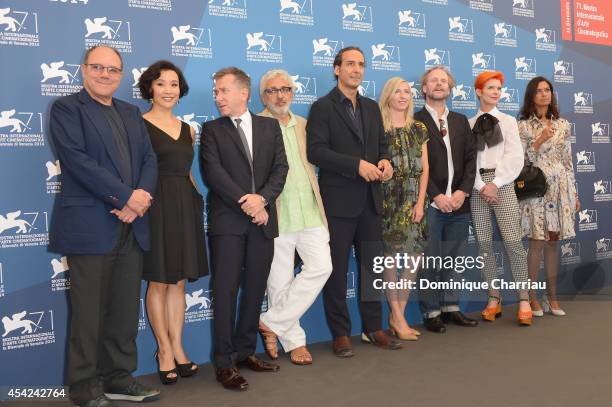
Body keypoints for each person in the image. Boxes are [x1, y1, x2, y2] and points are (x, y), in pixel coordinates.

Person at [48, 45, 160, 407]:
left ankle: (119, 379)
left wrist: (140, 197)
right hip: (89, 226)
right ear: (83, 70)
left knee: (124, 311)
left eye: (113, 69)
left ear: (121, 74)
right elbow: (77, 162)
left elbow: (148, 159)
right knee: (88, 315)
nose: (105, 74)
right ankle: (83, 387)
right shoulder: (67, 108)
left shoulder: (130, 112)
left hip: (132, 225)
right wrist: (126, 198)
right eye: (98, 67)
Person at [307, 46, 401, 357]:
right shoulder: (322, 107)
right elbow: (316, 152)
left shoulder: (372, 107)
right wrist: (356, 165)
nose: (356, 70)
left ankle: (373, 328)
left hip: (371, 202)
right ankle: (340, 333)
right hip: (338, 203)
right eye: (350, 64)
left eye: (361, 64)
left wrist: (385, 161)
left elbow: (382, 144)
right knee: (335, 272)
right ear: (337, 69)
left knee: (372, 268)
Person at [200, 67, 288, 391]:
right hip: (229, 223)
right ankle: (224, 363)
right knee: (224, 293)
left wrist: (262, 200)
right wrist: (249, 202)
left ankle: (245, 352)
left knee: (254, 290)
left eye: (223, 91)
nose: (217, 97)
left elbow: (282, 167)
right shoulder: (212, 130)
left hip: (263, 221)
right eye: (215, 92)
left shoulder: (269, 126)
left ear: (243, 93)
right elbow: (214, 174)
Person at [137, 60, 209, 384]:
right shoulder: (138, 125)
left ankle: (179, 347)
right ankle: (163, 350)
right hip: (154, 206)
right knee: (159, 281)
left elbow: (189, 172)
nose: (168, 90)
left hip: (184, 204)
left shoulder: (188, 129)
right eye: (162, 83)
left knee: (179, 281)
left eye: (174, 84)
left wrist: (197, 201)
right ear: (150, 88)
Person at [257, 69, 332, 365]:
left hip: (311, 210)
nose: (280, 95)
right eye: (273, 90)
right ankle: (295, 342)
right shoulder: (257, 125)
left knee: (321, 267)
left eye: (285, 89)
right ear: (263, 96)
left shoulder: (303, 124)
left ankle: (271, 322)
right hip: (276, 213)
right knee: (279, 281)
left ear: (292, 93)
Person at [414, 66, 478, 333]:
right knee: (430, 259)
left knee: (455, 259)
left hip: (459, 203)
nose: (439, 84)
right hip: (432, 203)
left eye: (444, 81)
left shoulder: (461, 121)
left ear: (450, 89)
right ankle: (431, 311)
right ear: (425, 88)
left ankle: (451, 307)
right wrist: (436, 195)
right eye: (433, 81)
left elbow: (471, 159)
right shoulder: (415, 120)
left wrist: (463, 191)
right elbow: (416, 165)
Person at [468, 71, 532, 326]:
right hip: (476, 187)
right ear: (478, 91)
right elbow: (468, 161)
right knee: (484, 245)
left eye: (498, 88)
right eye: (490, 87)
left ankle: (524, 298)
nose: (495, 92)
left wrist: (494, 183)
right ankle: (493, 298)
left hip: (502, 184)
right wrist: (481, 186)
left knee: (513, 242)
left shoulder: (507, 121)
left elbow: (515, 157)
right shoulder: (468, 122)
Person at [518, 76, 579, 317]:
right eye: (539, 91)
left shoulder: (563, 124)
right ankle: (531, 297)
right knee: (536, 242)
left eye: (548, 90)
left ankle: (551, 296)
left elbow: (568, 161)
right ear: (531, 96)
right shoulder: (522, 126)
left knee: (553, 243)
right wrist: (538, 142)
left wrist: (574, 194)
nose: (544, 94)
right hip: (535, 190)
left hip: (560, 188)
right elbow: (520, 163)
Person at [378, 77, 429, 341]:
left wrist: (420, 202)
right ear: (388, 96)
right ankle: (397, 317)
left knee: (413, 258)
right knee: (389, 257)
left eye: (407, 92)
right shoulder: (378, 128)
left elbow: (425, 168)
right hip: (388, 200)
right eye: (397, 91)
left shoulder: (418, 128)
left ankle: (398, 313)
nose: (403, 96)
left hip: (414, 200)